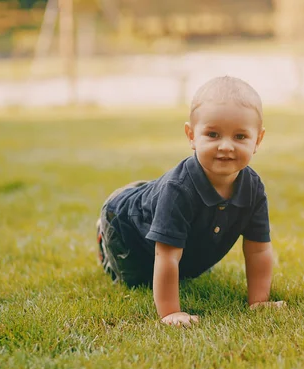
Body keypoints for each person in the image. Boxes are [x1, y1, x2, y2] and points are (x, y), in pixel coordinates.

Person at [96, 76, 284, 327]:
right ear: (191, 135)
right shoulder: (179, 190)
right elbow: (166, 257)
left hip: (163, 207)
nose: (226, 146)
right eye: (213, 134)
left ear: (257, 140)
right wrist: (171, 312)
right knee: (136, 279)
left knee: (190, 268)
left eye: (240, 137)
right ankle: (102, 235)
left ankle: (152, 201)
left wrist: (259, 301)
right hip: (124, 223)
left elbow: (258, 249)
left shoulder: (253, 188)